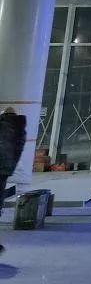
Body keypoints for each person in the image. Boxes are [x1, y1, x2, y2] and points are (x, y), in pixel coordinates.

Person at [0, 107, 26, 255]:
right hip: (5, 170)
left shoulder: (3, 126)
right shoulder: (20, 129)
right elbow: (18, 151)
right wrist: (10, 167)